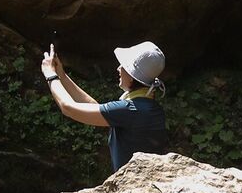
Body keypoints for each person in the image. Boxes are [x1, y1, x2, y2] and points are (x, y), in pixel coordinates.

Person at [41, 41, 169, 173]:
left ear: (131, 77)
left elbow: (68, 108)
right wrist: (62, 75)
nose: (118, 68)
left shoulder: (130, 109)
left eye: (123, 66)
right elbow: (95, 108)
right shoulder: (147, 107)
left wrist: (51, 75)